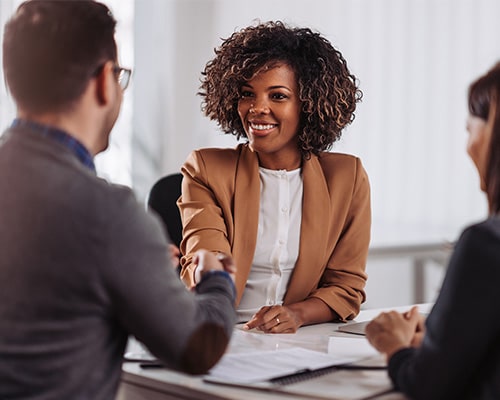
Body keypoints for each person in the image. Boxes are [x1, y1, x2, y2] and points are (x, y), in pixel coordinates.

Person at [0, 1, 236, 399]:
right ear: (104, 82)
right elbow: (198, 347)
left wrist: (136, 264)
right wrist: (217, 280)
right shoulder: (109, 214)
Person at [178, 21, 371, 333]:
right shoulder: (206, 169)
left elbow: (345, 287)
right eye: (247, 94)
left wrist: (296, 314)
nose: (257, 109)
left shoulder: (346, 178)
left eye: (277, 96)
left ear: (307, 104)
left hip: (300, 340)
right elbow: (208, 259)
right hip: (219, 333)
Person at [365, 63, 500, 399]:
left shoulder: (485, 243)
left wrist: (394, 346)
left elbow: (427, 384)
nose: (468, 144)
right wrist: (449, 329)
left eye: (470, 130)